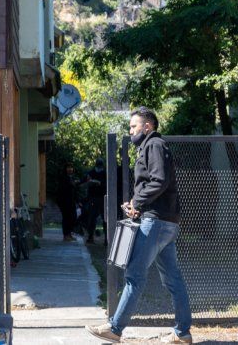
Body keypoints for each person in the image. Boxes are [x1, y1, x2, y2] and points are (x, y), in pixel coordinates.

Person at [85, 107, 192, 344]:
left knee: (134, 276)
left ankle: (115, 329)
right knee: (173, 279)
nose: (131, 131)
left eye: (134, 126)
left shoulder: (154, 144)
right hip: (164, 221)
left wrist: (137, 202)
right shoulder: (153, 146)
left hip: (156, 222)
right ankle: (182, 333)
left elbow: (159, 181)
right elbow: (157, 184)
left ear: (147, 126)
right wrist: (137, 206)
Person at [84, 157, 107, 244]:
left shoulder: (104, 173)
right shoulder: (91, 172)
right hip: (94, 197)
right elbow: (87, 182)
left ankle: (106, 238)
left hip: (102, 197)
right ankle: (91, 237)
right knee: (92, 218)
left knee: (104, 218)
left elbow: (106, 184)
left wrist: (99, 183)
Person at [57, 163, 79, 241]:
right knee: (66, 218)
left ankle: (69, 234)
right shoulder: (63, 178)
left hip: (71, 202)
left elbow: (74, 191)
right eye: (68, 167)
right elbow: (63, 189)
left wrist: (77, 200)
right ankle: (66, 235)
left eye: (71, 168)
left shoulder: (72, 178)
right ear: (65, 169)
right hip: (65, 202)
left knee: (72, 218)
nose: (70, 169)